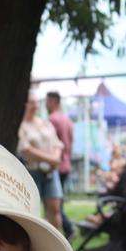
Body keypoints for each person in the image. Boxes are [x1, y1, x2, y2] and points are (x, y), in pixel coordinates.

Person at [19, 92, 65, 233]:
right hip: (33, 172)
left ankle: (58, 241)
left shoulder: (45, 123)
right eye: (31, 102)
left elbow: (57, 144)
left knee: (55, 209)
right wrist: (52, 159)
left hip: (51, 172)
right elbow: (25, 149)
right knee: (33, 211)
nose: (35, 105)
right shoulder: (22, 126)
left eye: (36, 102)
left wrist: (55, 158)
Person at [46, 90, 76, 238]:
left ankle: (68, 229)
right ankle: (67, 230)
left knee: (54, 205)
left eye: (47, 101)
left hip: (55, 165)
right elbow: (71, 143)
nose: (46, 104)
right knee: (58, 203)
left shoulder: (52, 120)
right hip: (66, 164)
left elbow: (50, 144)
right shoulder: (67, 120)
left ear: (53, 101)